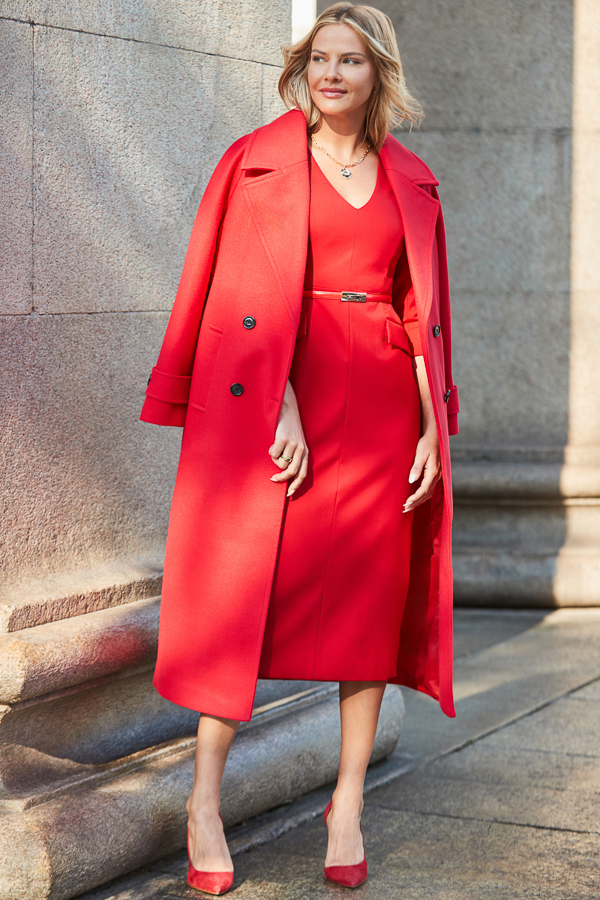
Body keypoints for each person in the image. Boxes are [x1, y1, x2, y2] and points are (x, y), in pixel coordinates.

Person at [140, 2, 459, 893]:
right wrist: (277, 401)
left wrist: (436, 423)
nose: (332, 74)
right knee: (242, 595)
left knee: (368, 599)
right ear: (301, 69)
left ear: (377, 75)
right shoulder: (258, 162)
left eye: (351, 61)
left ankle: (347, 800)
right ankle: (204, 800)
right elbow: (235, 291)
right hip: (281, 394)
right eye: (319, 58)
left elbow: (420, 311)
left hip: (386, 407)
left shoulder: (412, 179)